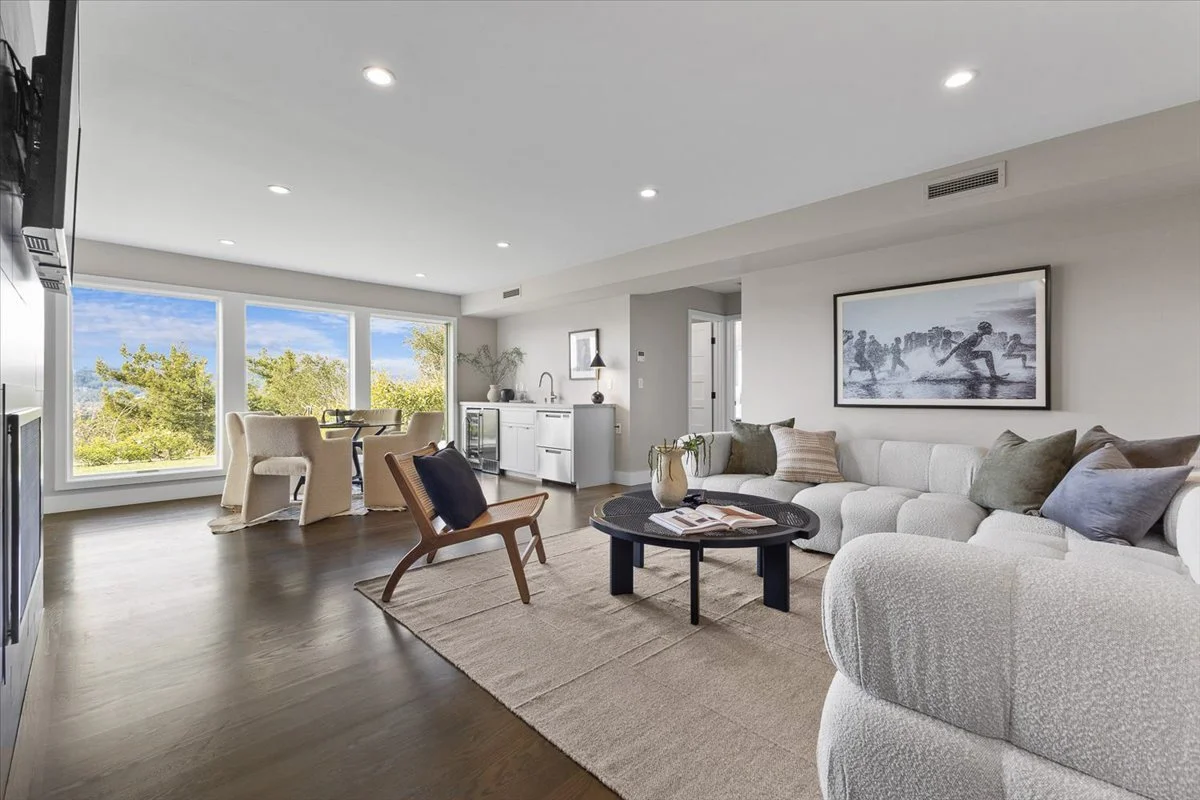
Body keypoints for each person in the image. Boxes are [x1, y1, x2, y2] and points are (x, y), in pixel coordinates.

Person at [937, 321, 1003, 378]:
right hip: (961, 357)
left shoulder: (981, 338)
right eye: (990, 328)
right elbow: (958, 346)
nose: (991, 329)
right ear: (984, 329)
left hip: (966, 357)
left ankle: (992, 375)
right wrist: (945, 359)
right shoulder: (973, 336)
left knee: (978, 374)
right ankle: (993, 375)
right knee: (988, 353)